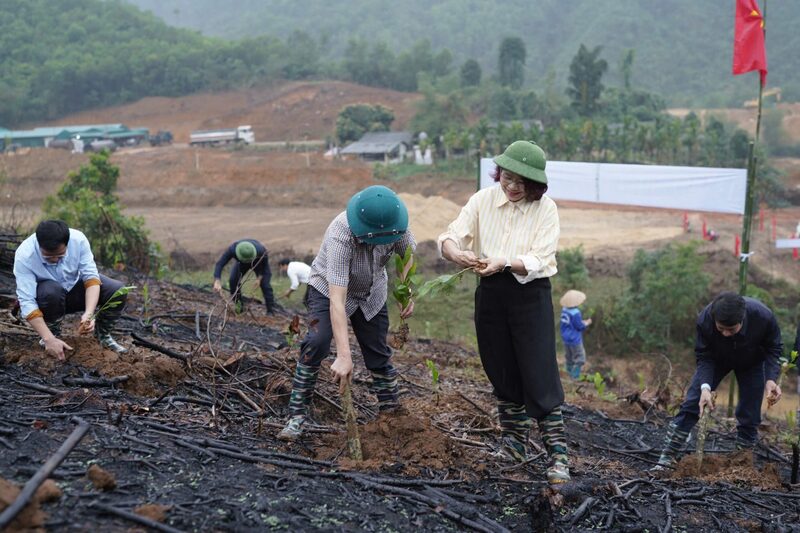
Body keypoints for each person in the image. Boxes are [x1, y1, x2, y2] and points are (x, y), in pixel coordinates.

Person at [438, 140, 570, 484]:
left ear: (536, 185)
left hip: (530, 295)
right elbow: (452, 235)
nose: (511, 187)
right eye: (507, 178)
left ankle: (558, 455)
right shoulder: (483, 200)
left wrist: (505, 262)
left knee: (539, 372)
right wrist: (456, 253)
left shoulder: (546, 209)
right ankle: (514, 445)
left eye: (521, 183)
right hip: (492, 294)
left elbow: (541, 258)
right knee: (501, 368)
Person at [278, 185, 416, 440]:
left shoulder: (399, 228)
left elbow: (405, 259)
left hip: (372, 291)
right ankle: (296, 417)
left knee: (377, 351)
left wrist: (405, 292)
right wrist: (344, 356)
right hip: (328, 290)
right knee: (317, 343)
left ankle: (392, 415)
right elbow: (337, 302)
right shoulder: (341, 233)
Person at [654, 292, 783, 468]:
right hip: (715, 360)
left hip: (752, 362)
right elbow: (704, 355)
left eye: (732, 329)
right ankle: (667, 457)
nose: (726, 334)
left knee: (750, 413)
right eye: (721, 328)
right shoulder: (705, 320)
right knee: (693, 402)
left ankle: (741, 462)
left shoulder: (763, 317)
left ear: (742, 319)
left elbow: (774, 348)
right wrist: (705, 388)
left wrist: (770, 379)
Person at [13, 219, 129, 359]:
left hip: (74, 290)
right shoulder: (25, 256)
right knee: (51, 290)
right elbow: (27, 301)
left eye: (60, 256)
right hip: (47, 300)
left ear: (67, 244)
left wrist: (89, 314)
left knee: (117, 290)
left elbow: (91, 277)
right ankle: (51, 335)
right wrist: (49, 339)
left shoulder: (78, 240)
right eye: (49, 257)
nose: (55, 260)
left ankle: (103, 336)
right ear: (39, 245)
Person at [212, 239, 280, 315]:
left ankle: (270, 311)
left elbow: (264, 266)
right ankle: (239, 307)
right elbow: (220, 264)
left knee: (265, 285)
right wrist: (217, 280)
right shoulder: (232, 249)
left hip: (258, 263)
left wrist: (259, 278)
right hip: (241, 264)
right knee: (233, 281)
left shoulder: (261, 250)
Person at [560, 289, 592, 380]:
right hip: (574, 339)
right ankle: (574, 377)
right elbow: (579, 327)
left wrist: (581, 322)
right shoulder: (576, 312)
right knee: (580, 358)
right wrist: (587, 323)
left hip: (565, 338)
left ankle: (567, 374)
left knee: (569, 357)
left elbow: (570, 323)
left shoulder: (564, 310)